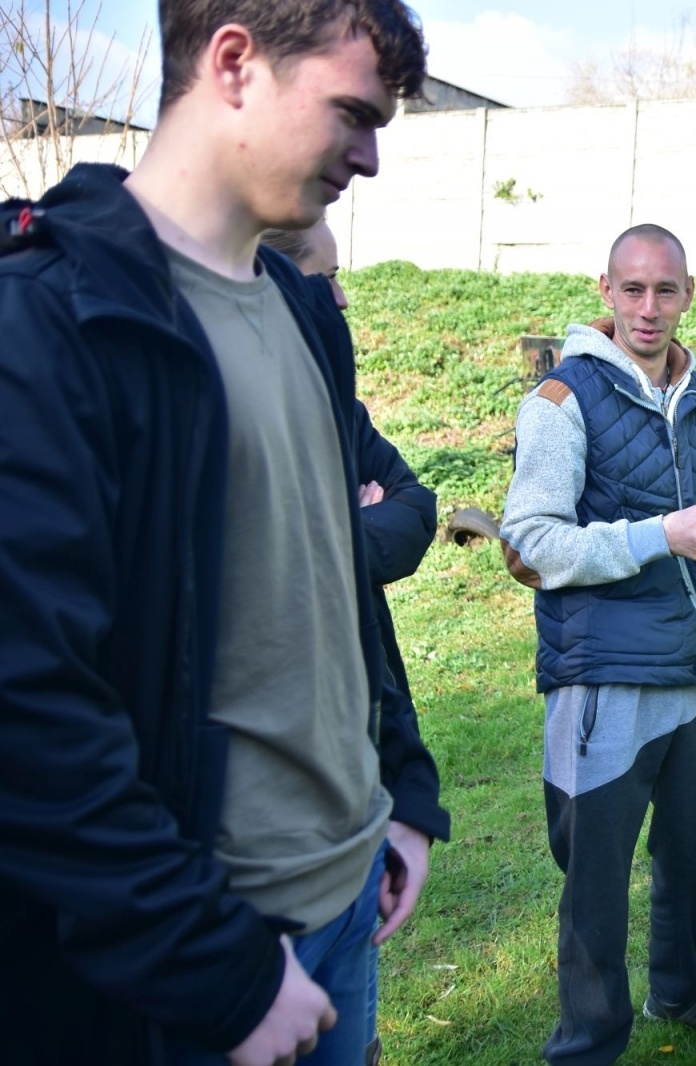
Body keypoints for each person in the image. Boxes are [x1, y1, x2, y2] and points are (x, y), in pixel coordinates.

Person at [0, 3, 449, 1065]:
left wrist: (402, 785)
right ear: (235, 62)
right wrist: (214, 967)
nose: (370, 158)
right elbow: (28, 706)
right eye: (353, 114)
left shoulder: (300, 309)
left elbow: (329, 587)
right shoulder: (47, 322)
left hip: (350, 897)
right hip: (204, 962)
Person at [500, 224, 696, 1066]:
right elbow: (530, 542)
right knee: (595, 885)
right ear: (605, 291)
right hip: (604, 678)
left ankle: (678, 986)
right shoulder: (561, 400)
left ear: (688, 294)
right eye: (633, 289)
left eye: (665, 290)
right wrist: (656, 537)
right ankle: (588, 1041)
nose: (649, 308)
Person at [263, 217, 440, 1061]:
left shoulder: (339, 409)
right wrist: (350, 529)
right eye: (324, 278)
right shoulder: (199, 410)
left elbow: (416, 510)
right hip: (261, 886)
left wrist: (326, 538)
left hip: (357, 834)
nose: (340, 299)